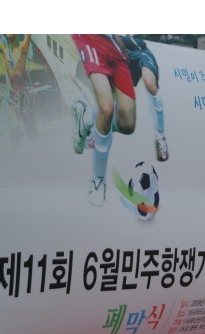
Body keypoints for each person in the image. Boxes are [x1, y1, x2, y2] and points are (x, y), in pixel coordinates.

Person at [71, 34, 136, 206]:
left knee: (128, 123)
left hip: (114, 46)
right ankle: (98, 181)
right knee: (106, 109)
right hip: (91, 37)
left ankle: (85, 119)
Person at [118, 35, 169, 162]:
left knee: (150, 83)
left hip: (139, 51)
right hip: (119, 58)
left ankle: (161, 136)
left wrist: (122, 46)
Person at [0, 34, 37, 138]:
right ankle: (8, 128)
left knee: (23, 104)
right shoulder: (6, 49)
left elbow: (29, 55)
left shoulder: (21, 47)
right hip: (14, 81)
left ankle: (25, 129)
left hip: (22, 80)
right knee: (13, 101)